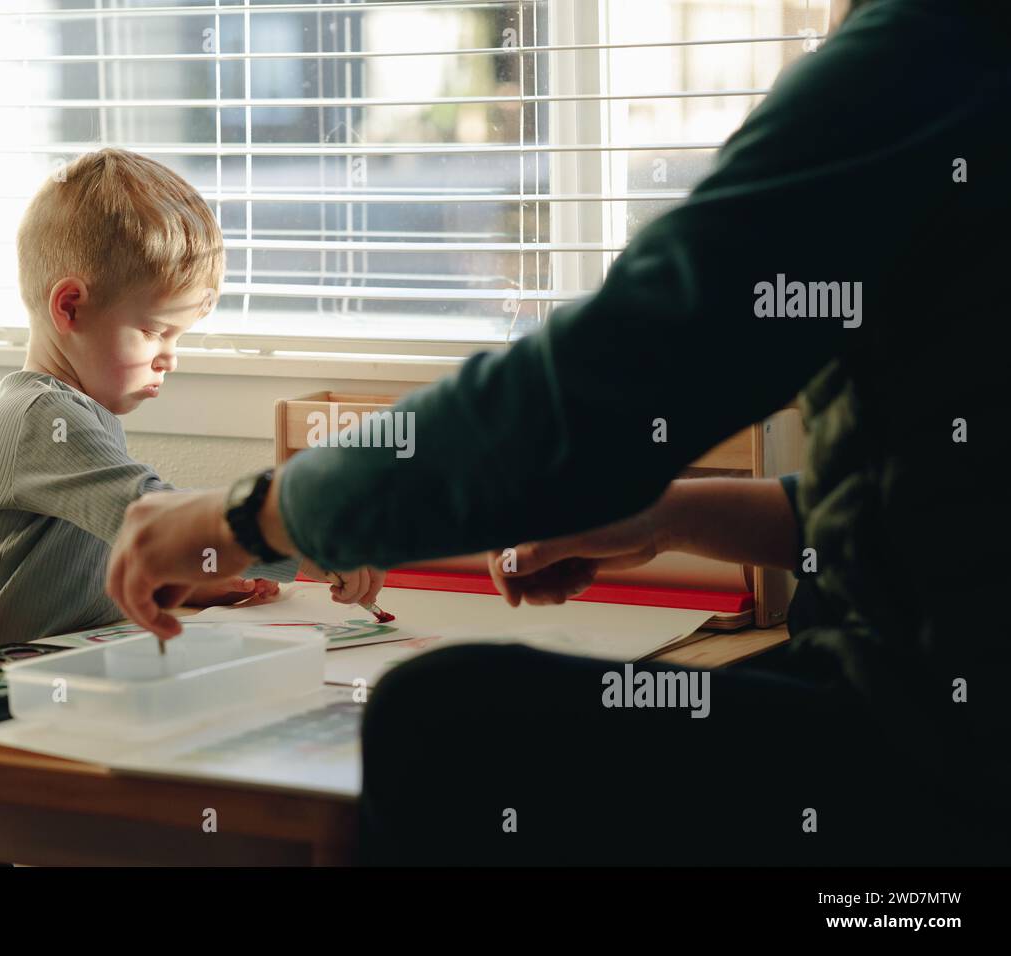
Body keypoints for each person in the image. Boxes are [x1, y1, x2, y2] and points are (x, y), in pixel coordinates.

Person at [105, 0, 1011, 863]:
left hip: (938, 767)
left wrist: (249, 515)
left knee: (445, 721)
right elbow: (920, 518)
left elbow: (603, 382)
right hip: (921, 720)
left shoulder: (927, 57)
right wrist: (667, 516)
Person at [0, 149, 384, 659]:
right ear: (70, 307)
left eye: (178, 336)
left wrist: (188, 582)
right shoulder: (42, 418)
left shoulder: (81, 412)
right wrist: (293, 535)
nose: (170, 358)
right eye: (155, 331)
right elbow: (151, 515)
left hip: (66, 669)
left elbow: (85, 563)